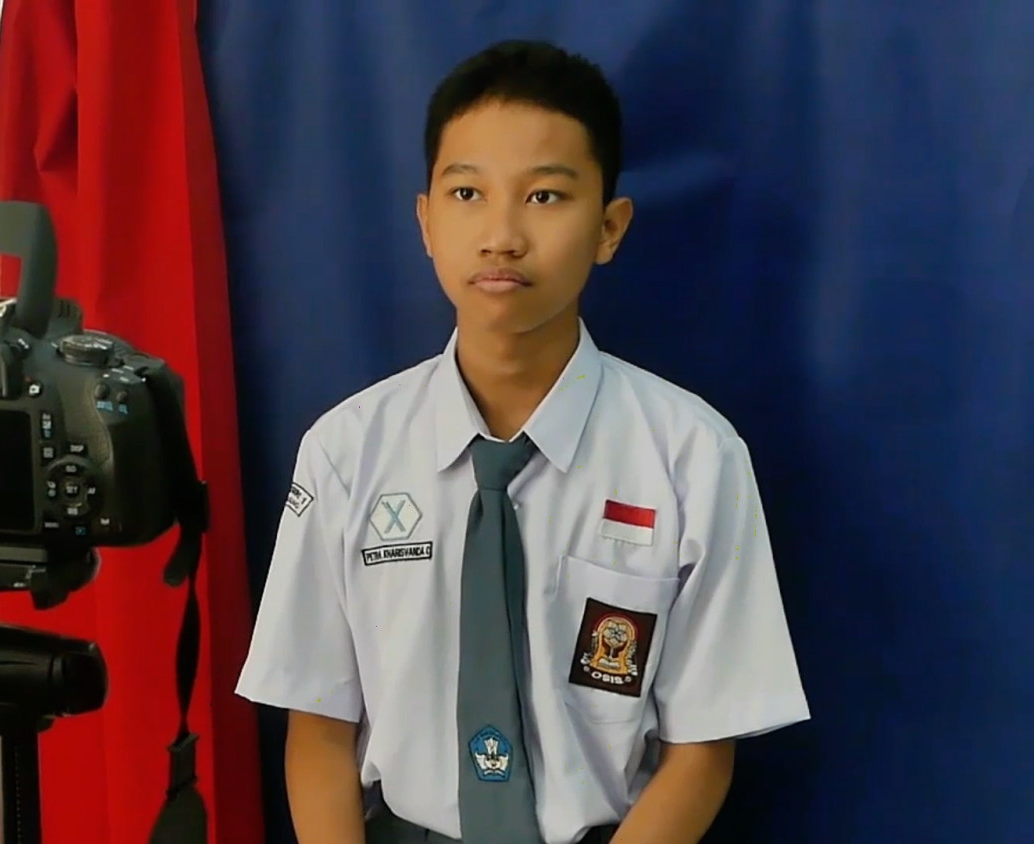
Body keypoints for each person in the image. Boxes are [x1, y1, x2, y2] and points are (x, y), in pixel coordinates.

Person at [234, 38, 811, 844]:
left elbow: (701, 751)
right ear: (426, 221)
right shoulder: (345, 451)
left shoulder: (694, 457)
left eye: (544, 196)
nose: (501, 234)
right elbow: (319, 731)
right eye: (467, 193)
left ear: (608, 227)